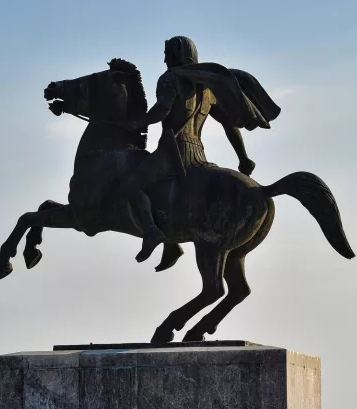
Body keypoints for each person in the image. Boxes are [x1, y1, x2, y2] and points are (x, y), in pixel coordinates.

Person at [117, 36, 280, 268]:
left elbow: (161, 110)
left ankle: (152, 232)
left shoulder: (170, 78)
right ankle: (171, 246)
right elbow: (228, 124)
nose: (164, 59)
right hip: (197, 154)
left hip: (171, 152)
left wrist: (136, 122)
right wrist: (242, 156)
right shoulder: (206, 87)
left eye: (167, 53)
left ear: (175, 54)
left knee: (130, 187)